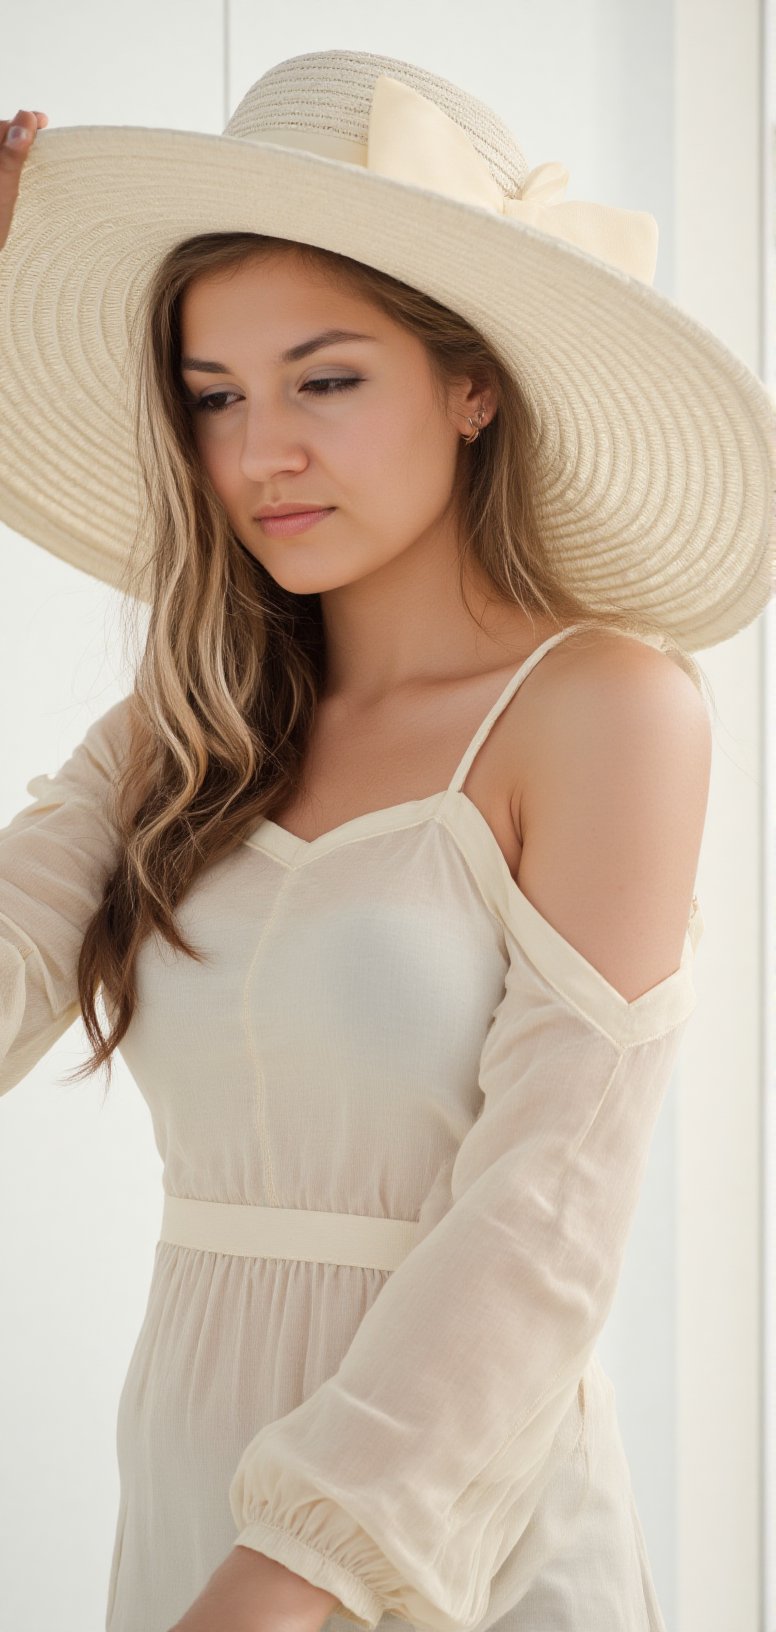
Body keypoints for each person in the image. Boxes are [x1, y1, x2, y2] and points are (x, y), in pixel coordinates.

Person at [0, 48, 772, 1632]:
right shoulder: (189, 722)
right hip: (185, 1502)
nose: (258, 452)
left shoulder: (608, 710)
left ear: (471, 380)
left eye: (325, 379)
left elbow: (546, 1216)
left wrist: (298, 1573)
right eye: (213, 399)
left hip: (438, 1531)